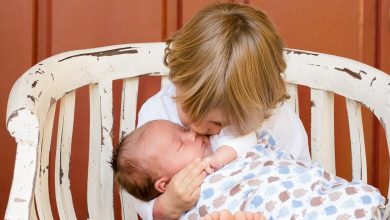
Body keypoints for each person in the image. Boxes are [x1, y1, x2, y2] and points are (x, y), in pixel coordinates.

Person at [135, 2, 311, 219]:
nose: (198, 129)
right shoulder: (157, 116)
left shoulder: (278, 120)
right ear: (177, 78)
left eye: (219, 124)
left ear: (259, 107)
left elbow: (303, 181)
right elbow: (142, 192)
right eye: (190, 110)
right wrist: (165, 206)